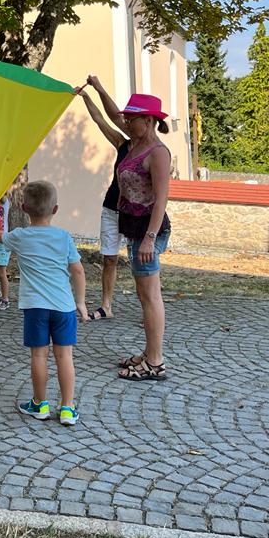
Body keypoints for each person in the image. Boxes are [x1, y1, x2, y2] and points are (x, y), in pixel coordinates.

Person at [0, 181, 87, 426]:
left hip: (35, 308)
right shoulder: (64, 238)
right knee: (64, 357)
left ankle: (39, 404)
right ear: (55, 209)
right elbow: (78, 272)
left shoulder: (20, 237)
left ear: (24, 207)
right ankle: (66, 408)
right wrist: (80, 302)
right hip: (63, 307)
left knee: (38, 356)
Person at [115, 93, 172, 382]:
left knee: (150, 296)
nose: (126, 121)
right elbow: (111, 117)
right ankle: (149, 353)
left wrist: (149, 238)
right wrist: (94, 92)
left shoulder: (158, 153)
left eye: (131, 118)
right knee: (143, 295)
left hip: (148, 231)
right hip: (135, 228)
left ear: (147, 120)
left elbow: (161, 200)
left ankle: (156, 362)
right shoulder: (136, 145)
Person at [74, 75, 131, 320]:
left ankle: (149, 307)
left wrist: (99, 87)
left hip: (135, 212)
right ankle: (106, 305)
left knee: (142, 263)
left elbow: (115, 115)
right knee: (109, 259)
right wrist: (88, 95)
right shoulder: (122, 143)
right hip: (112, 207)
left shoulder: (153, 150)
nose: (126, 122)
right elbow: (102, 120)